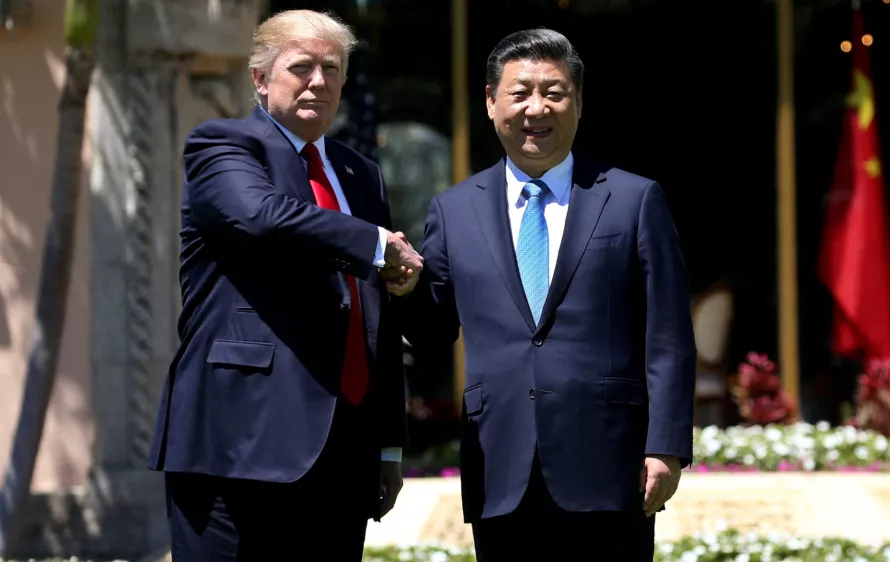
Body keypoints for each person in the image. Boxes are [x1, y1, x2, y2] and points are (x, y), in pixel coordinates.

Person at [392, 28, 695, 561]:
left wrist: (666, 445)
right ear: (490, 102)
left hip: (609, 464)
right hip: (499, 466)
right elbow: (434, 331)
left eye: (554, 92)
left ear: (577, 102)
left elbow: (667, 335)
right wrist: (407, 286)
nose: (537, 108)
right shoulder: (453, 209)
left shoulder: (632, 198)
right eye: (519, 92)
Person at [146, 9, 423, 561]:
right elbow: (261, 215)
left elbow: (373, 316)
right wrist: (378, 244)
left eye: (333, 67)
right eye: (302, 66)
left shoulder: (358, 173)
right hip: (237, 442)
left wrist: (388, 442)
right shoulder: (223, 146)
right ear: (260, 78)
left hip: (345, 450)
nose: (319, 81)